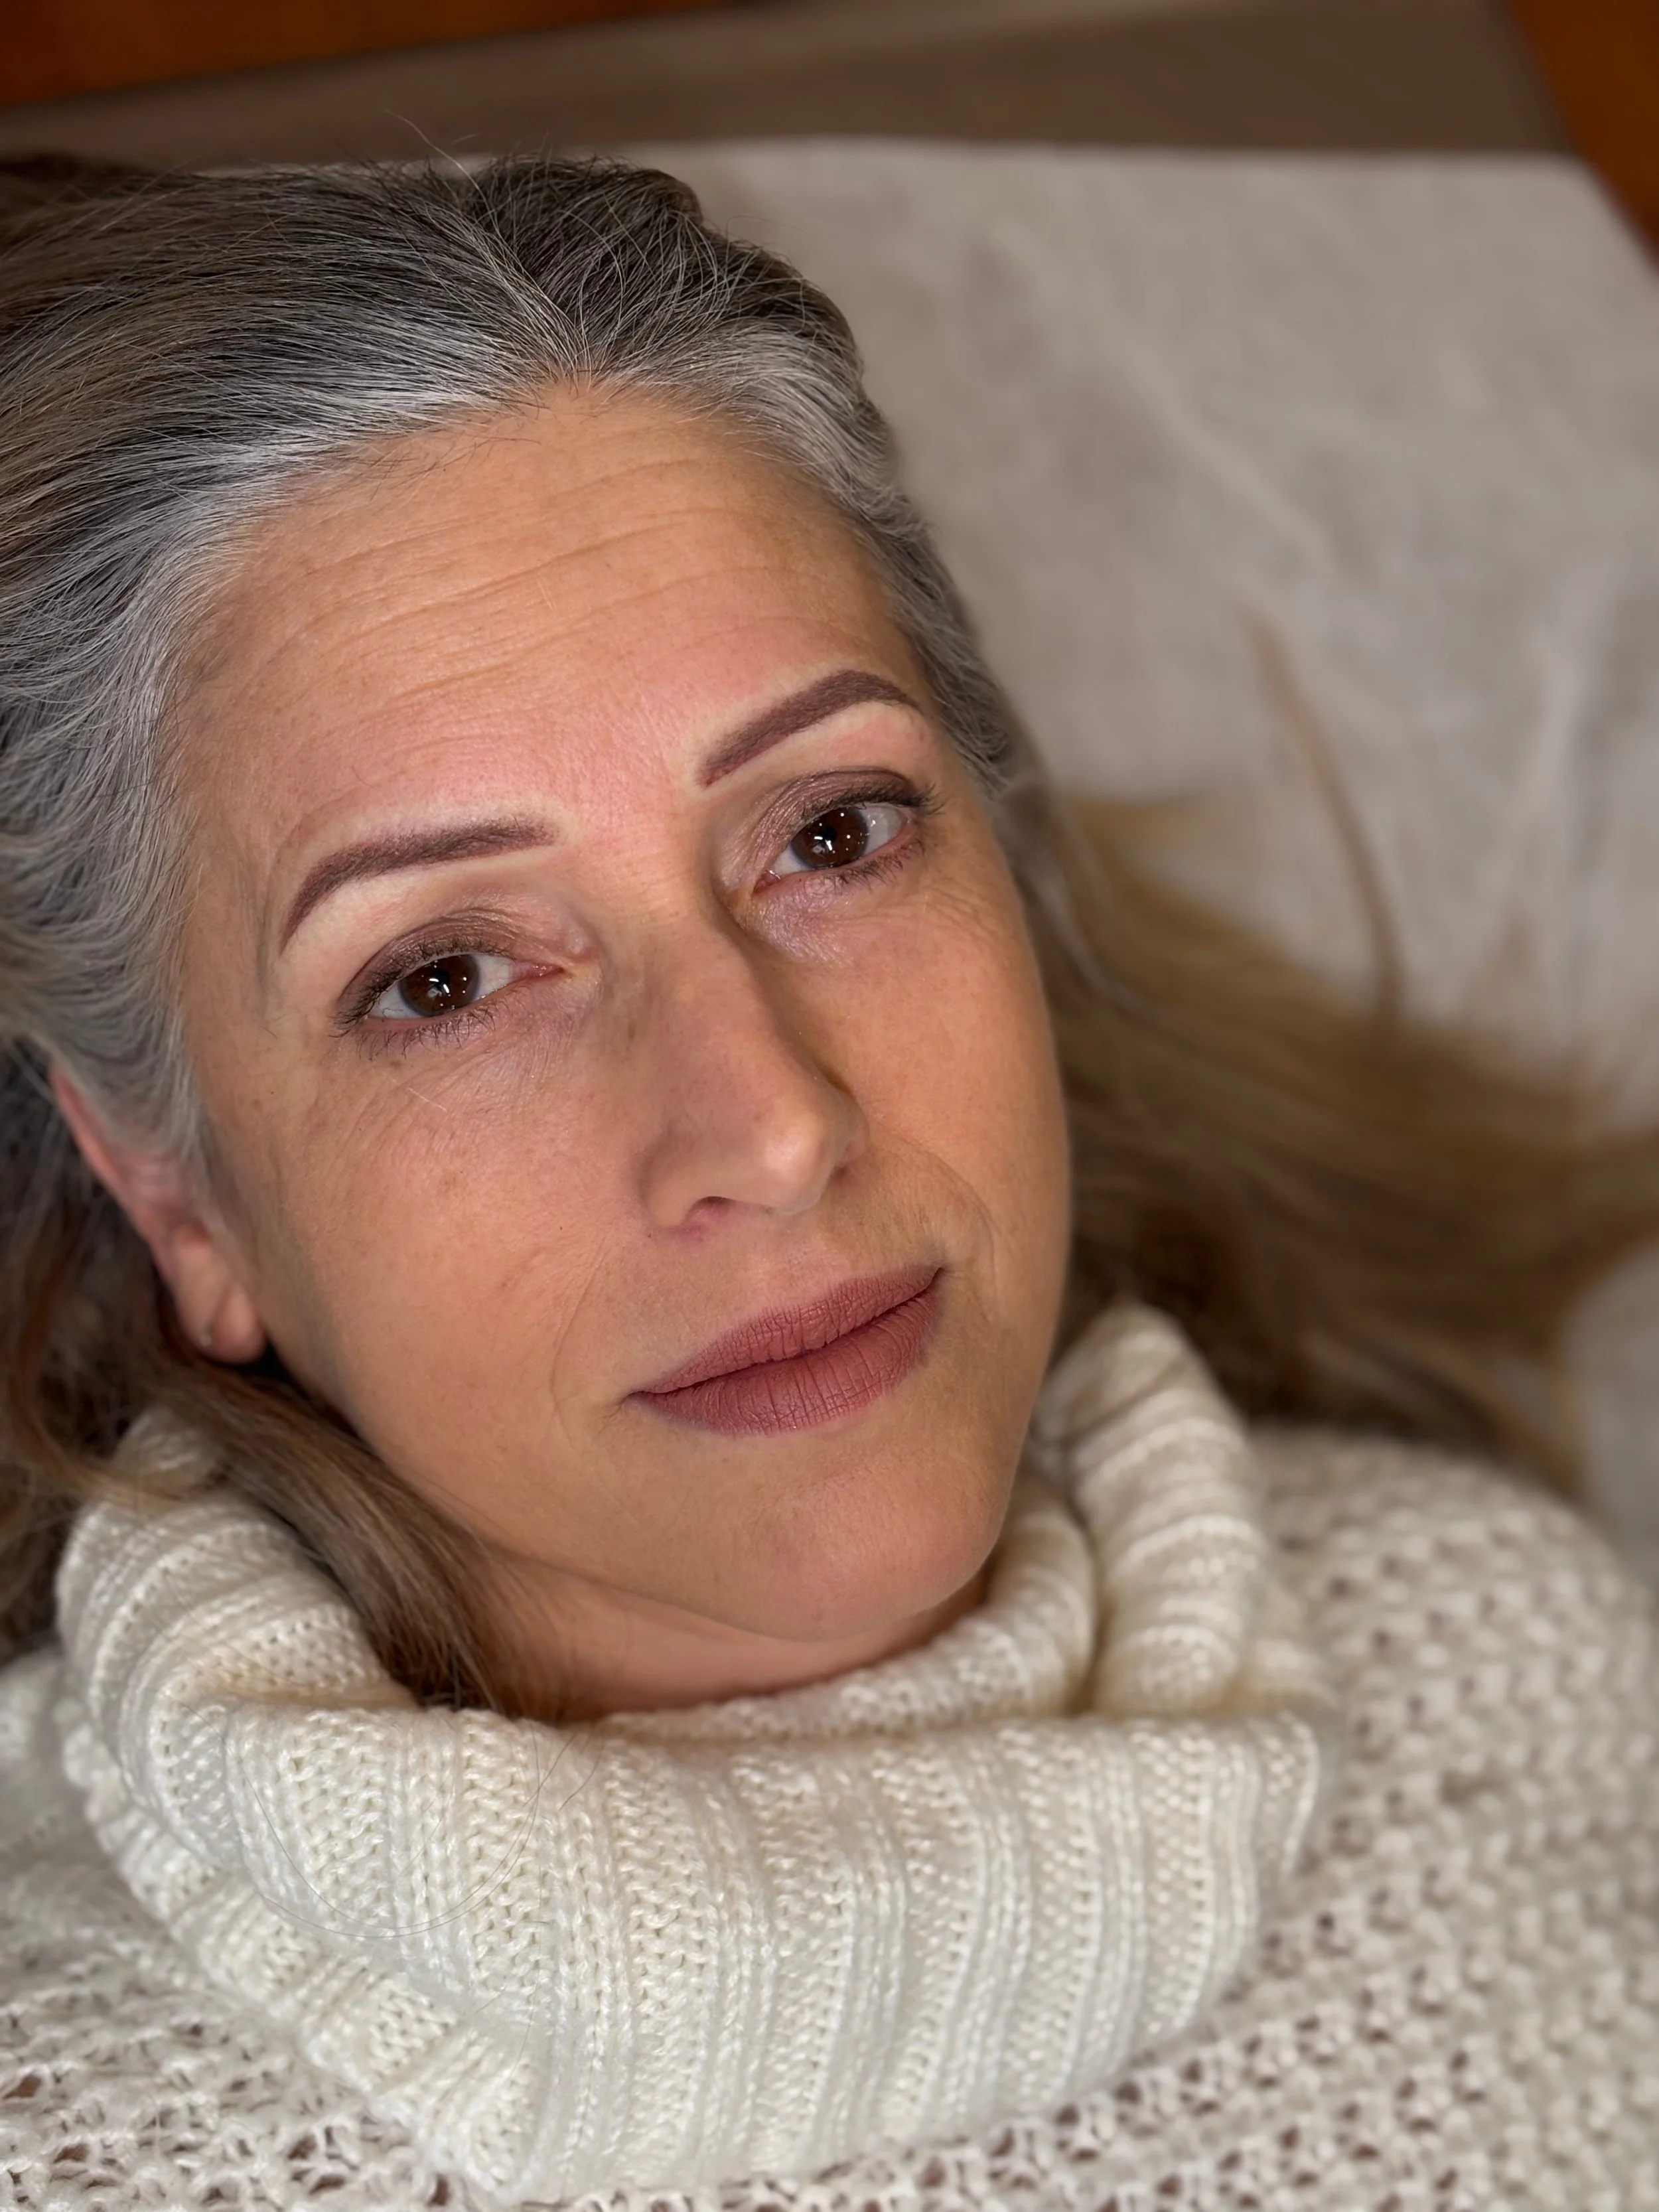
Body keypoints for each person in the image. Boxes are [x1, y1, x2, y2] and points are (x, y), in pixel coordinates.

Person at [1, 153, 1656, 2212]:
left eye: (832, 834)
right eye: (441, 974)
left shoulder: (1511, 1668)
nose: (768, 1123)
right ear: (175, 1191)